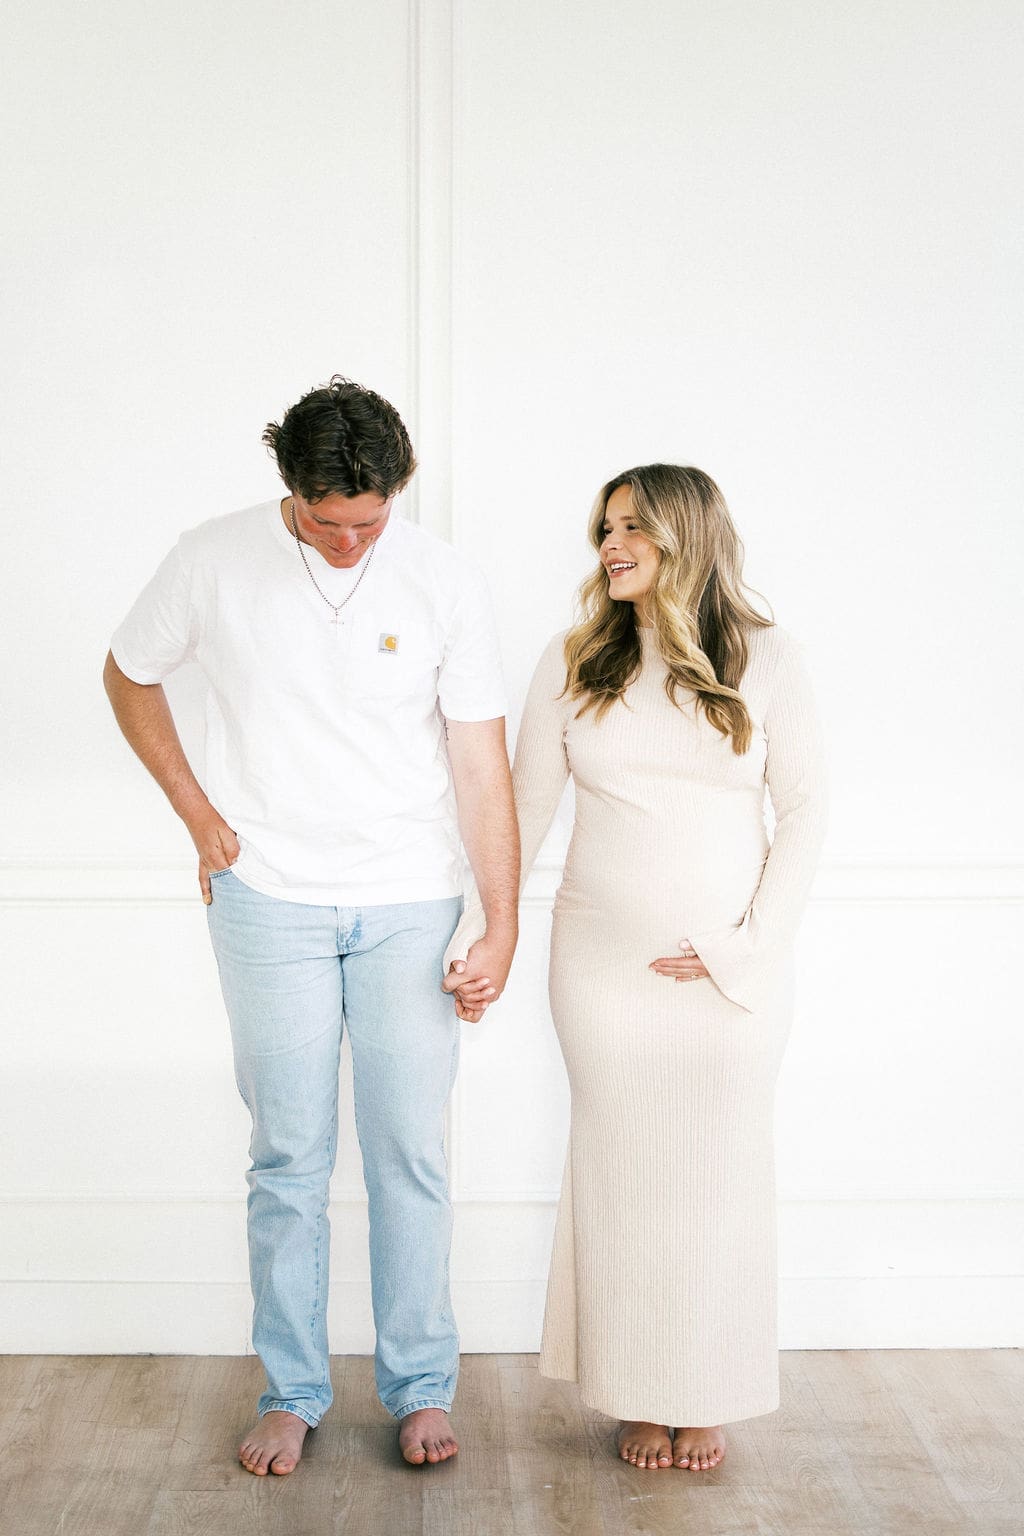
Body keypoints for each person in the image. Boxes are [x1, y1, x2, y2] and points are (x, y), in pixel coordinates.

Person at [103, 376, 519, 1475]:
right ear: (288, 488)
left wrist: (502, 923)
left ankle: (420, 1387)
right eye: (327, 522)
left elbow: (480, 761)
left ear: (398, 493)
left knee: (408, 1151)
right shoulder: (210, 558)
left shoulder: (443, 580)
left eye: (369, 523)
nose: (348, 542)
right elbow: (129, 673)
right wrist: (198, 815)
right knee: (287, 1156)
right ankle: (292, 1390)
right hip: (267, 899)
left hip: (409, 898)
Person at [444, 464, 827, 1473]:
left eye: (632, 529)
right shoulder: (575, 659)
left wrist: (742, 947)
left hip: (733, 982)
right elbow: (520, 812)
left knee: (718, 1183)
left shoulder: (769, 659)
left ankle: (707, 1392)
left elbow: (807, 815)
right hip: (601, 972)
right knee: (622, 1180)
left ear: (685, 535)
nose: (610, 546)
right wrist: (482, 930)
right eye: (605, 529)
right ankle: (635, 1392)